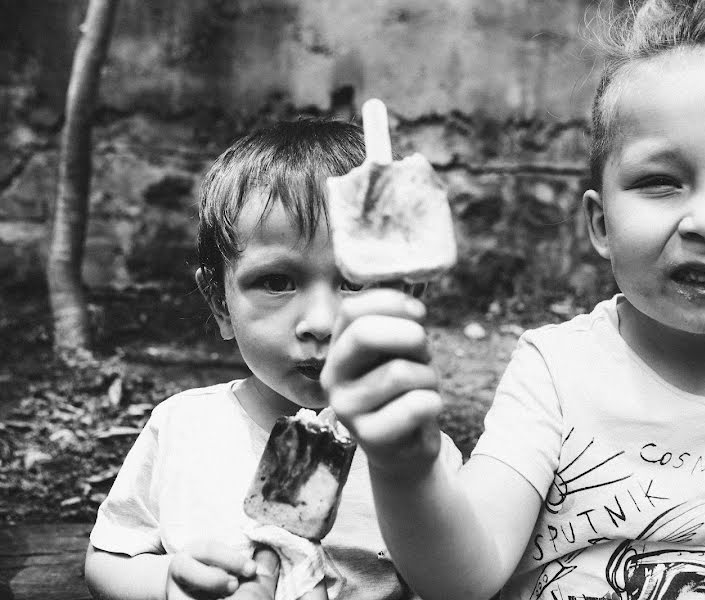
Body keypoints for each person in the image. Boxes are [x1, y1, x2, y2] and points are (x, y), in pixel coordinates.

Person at [321, 1, 705, 599]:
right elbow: (463, 579)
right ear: (600, 224)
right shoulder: (556, 372)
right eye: (659, 181)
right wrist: (406, 467)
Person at [83, 118, 462, 600]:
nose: (321, 322)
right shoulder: (182, 428)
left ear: (406, 300)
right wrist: (169, 583)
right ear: (220, 303)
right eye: (279, 281)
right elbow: (107, 561)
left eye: (354, 282)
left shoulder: (422, 458)